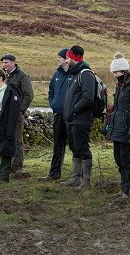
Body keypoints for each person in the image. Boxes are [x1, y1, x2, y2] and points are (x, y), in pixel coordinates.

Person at [106, 53, 130, 200]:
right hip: (118, 129)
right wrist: (109, 126)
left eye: (116, 72)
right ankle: (124, 187)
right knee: (119, 160)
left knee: (126, 161)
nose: (115, 75)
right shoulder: (121, 85)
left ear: (124, 71)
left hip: (127, 130)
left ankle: (129, 191)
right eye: (114, 72)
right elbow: (116, 109)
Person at [61, 45, 95, 190]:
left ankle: (86, 181)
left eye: (68, 57)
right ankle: (76, 178)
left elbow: (88, 98)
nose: (66, 60)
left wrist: (74, 110)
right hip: (73, 119)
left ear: (74, 58)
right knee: (75, 148)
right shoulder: (76, 74)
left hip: (81, 119)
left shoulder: (85, 74)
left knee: (83, 149)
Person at [40, 48, 73, 181]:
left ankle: (78, 175)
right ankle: (54, 173)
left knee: (75, 146)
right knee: (58, 145)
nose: (57, 59)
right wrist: (53, 104)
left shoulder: (75, 74)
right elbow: (51, 91)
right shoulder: (56, 75)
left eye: (59, 57)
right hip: (59, 115)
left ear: (66, 59)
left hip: (71, 116)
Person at [1, 53, 34, 178]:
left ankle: (17, 167)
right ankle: (6, 166)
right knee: (5, 138)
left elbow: (29, 95)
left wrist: (20, 110)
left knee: (17, 140)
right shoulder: (3, 76)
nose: (4, 65)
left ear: (13, 62)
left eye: (7, 62)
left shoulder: (22, 76)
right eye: (3, 62)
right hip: (4, 114)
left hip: (16, 114)